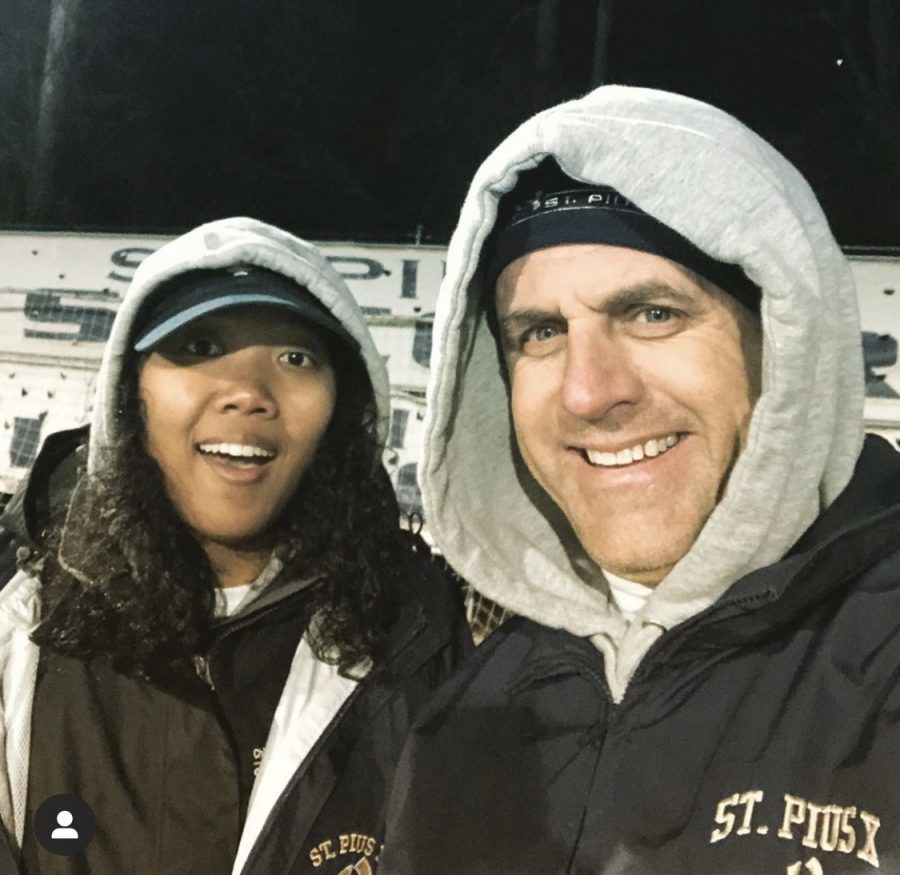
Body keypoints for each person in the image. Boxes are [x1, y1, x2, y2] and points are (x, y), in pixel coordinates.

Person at [378, 86, 900, 874]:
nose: (590, 391)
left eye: (653, 313)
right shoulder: (465, 720)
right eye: (542, 332)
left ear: (785, 340)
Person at [0, 217, 470, 875]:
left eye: (295, 358)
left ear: (343, 406)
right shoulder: (22, 623)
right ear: (129, 391)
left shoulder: (421, 632)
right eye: (197, 345)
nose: (249, 392)